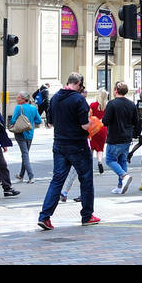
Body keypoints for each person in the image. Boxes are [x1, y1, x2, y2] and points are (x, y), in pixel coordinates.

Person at [37, 72, 101, 230]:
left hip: (59, 144)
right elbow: (84, 125)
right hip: (77, 145)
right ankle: (87, 216)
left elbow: (50, 122)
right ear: (78, 83)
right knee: (86, 179)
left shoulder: (55, 98)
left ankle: (44, 217)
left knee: (57, 180)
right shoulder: (79, 99)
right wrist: (95, 124)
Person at [101, 81, 137, 194]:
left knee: (110, 160)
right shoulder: (131, 104)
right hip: (127, 138)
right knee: (122, 160)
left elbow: (105, 121)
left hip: (114, 137)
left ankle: (124, 176)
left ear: (115, 91)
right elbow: (135, 121)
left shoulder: (112, 104)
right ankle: (120, 186)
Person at [9, 91, 42, 183]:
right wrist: (30, 122)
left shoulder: (18, 107)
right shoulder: (33, 108)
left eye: (18, 97)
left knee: (25, 154)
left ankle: (31, 176)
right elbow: (39, 121)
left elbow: (13, 120)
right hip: (30, 133)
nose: (17, 98)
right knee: (25, 153)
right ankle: (21, 175)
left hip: (20, 133)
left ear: (23, 99)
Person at [89, 90, 109, 176]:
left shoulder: (93, 105)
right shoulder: (107, 106)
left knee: (91, 147)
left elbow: (89, 116)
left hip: (94, 128)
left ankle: (89, 165)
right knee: (100, 148)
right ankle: (100, 162)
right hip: (103, 128)